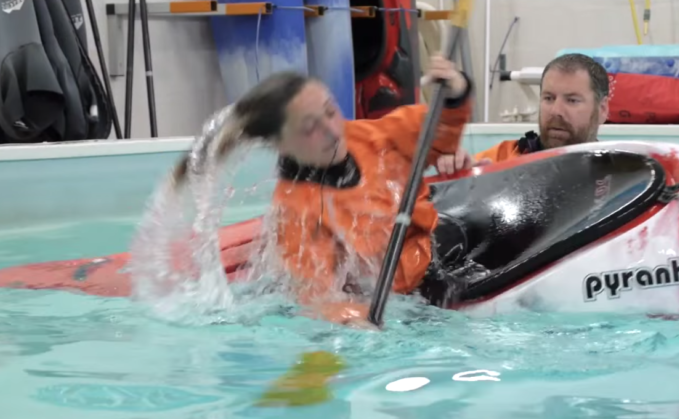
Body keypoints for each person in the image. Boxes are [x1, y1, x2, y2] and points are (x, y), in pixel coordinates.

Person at [171, 55, 474, 327]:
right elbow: (317, 298)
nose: (331, 130)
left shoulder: (370, 136)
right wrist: (353, 319)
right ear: (283, 144)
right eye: (309, 128)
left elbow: (438, 130)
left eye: (330, 111)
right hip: (402, 297)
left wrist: (455, 92)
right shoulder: (297, 215)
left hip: (431, 252)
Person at [435, 53, 610, 175]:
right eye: (549, 98)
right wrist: (461, 174)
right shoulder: (501, 161)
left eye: (572, 100)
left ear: (602, 110)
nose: (556, 111)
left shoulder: (618, 176)